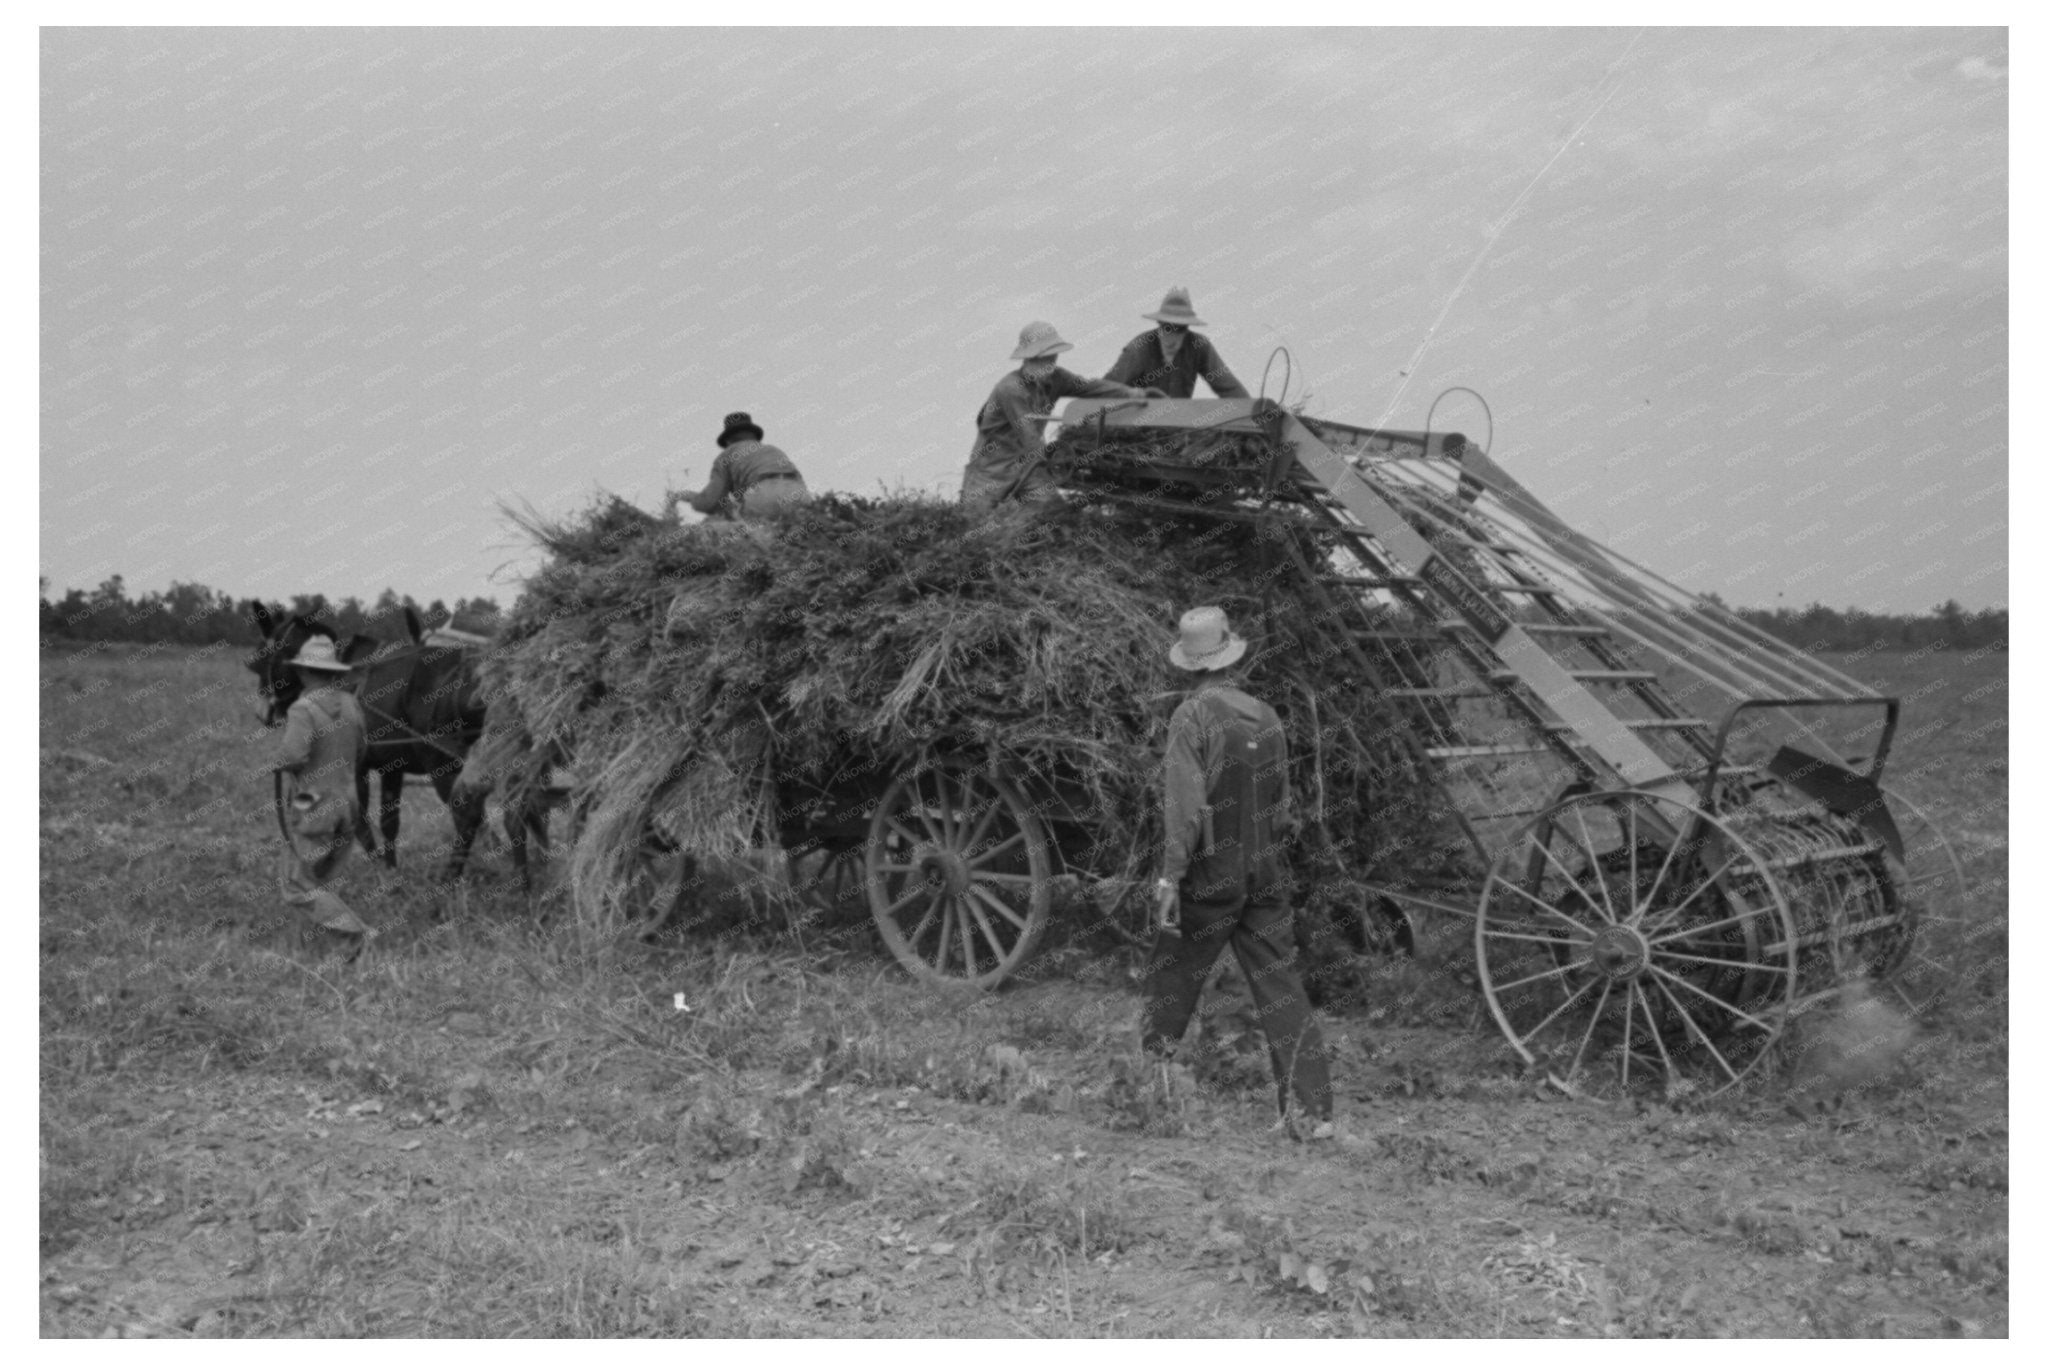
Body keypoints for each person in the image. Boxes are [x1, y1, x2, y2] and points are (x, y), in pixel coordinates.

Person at [1143, 606, 1336, 1138]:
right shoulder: (1267, 716)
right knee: (1281, 987)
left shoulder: (1192, 715)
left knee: (1173, 973)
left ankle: (1148, 1089)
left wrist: (1170, 878)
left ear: (1190, 663)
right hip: (1266, 871)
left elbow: (1184, 807)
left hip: (1212, 873)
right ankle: (1312, 1114)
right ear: (1230, 654)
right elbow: (1281, 805)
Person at [960, 322, 1157, 512]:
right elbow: (1029, 437)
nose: (1049, 363)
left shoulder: (1058, 378)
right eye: (1043, 358)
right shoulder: (1011, 389)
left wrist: (1132, 394)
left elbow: (1090, 387)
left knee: (1053, 513)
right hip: (992, 468)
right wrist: (1055, 463)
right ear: (1029, 358)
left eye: (1052, 357)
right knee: (974, 523)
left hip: (1029, 463)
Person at [273, 635, 376, 956]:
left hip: (314, 804)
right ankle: (332, 948)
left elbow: (292, 757)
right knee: (322, 879)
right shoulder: (351, 704)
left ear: (304, 672)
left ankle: (357, 933)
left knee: (295, 884)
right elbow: (362, 752)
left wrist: (276, 763)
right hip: (349, 803)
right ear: (332, 673)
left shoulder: (302, 709)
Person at [1103, 287, 1251, 400]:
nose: (1172, 337)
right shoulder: (1139, 348)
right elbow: (1106, 390)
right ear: (1159, 324)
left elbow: (1230, 388)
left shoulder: (1199, 346)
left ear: (1187, 329)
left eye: (1179, 329)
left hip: (1178, 429)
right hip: (1137, 426)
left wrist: (1259, 415)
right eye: (1167, 328)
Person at [670, 412, 811, 521]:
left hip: (763, 495)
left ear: (728, 440)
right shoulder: (773, 450)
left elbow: (710, 502)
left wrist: (690, 497)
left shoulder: (727, 455)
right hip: (799, 493)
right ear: (754, 436)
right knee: (796, 541)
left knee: (746, 539)